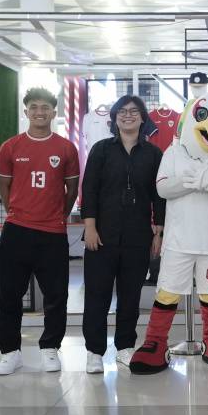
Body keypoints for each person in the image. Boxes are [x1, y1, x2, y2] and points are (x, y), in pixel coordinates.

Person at [129, 80, 208, 374]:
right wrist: (188, 182)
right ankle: (155, 342)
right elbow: (163, 187)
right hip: (178, 240)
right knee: (167, 291)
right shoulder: (173, 152)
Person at [0, 88, 80, 375]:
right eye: (34, 107)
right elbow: (4, 188)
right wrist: (17, 211)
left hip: (53, 233)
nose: (39, 112)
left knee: (56, 296)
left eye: (45, 107)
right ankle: (10, 352)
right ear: (26, 111)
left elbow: (71, 191)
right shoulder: (10, 147)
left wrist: (57, 216)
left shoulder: (66, 148)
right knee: (9, 295)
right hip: (16, 231)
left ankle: (50, 349)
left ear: (54, 112)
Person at [80, 95, 164, 374]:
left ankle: (126, 347)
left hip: (137, 237)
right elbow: (89, 190)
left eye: (134, 112)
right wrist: (89, 227)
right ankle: (94, 351)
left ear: (143, 118)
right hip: (101, 236)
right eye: (122, 112)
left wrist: (158, 231)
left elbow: (159, 197)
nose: (128, 116)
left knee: (130, 296)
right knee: (97, 296)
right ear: (114, 118)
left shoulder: (153, 154)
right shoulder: (101, 149)